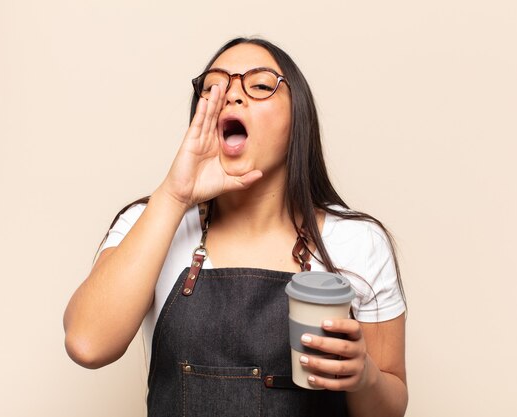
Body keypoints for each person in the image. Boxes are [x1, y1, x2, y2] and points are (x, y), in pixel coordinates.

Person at [64, 37, 408, 417]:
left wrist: (366, 377)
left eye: (260, 85)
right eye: (214, 87)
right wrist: (176, 195)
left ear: (299, 118)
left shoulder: (357, 242)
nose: (231, 96)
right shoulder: (154, 222)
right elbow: (87, 344)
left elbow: (389, 407)